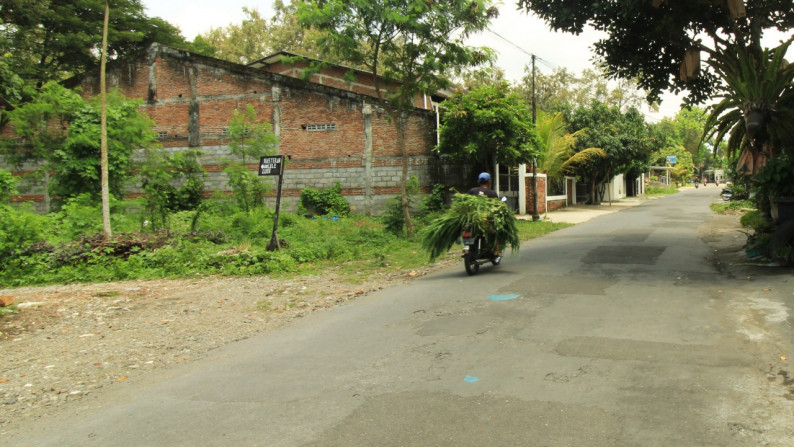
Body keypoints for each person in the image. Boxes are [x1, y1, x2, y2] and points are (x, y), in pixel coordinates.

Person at [466, 172, 501, 260]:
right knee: (496, 232)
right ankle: (495, 251)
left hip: (472, 220)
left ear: (478, 181)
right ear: (489, 181)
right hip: (486, 221)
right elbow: (496, 206)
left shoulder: (472, 191)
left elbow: (465, 203)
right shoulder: (492, 193)